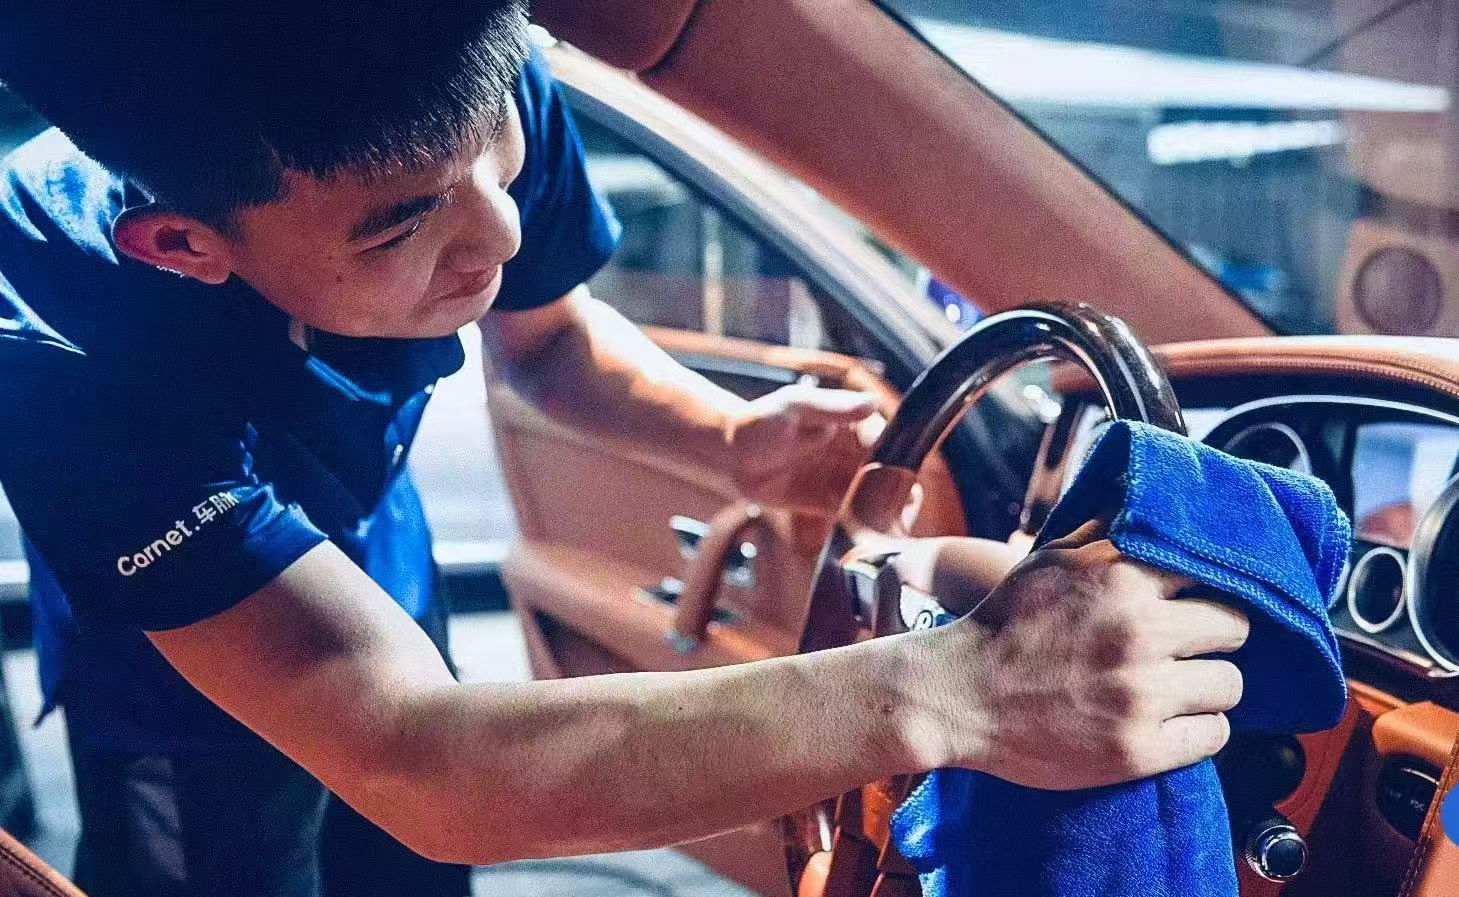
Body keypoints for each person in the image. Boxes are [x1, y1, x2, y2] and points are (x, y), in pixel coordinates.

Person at [0, 3, 1250, 896]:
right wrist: (964, 689)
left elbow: (550, 347)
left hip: (376, 536)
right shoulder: (61, 354)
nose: (496, 239)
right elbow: (414, 750)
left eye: (499, 156)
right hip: (181, 657)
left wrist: (734, 436)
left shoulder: (464, 83)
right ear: (184, 247)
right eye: (399, 230)